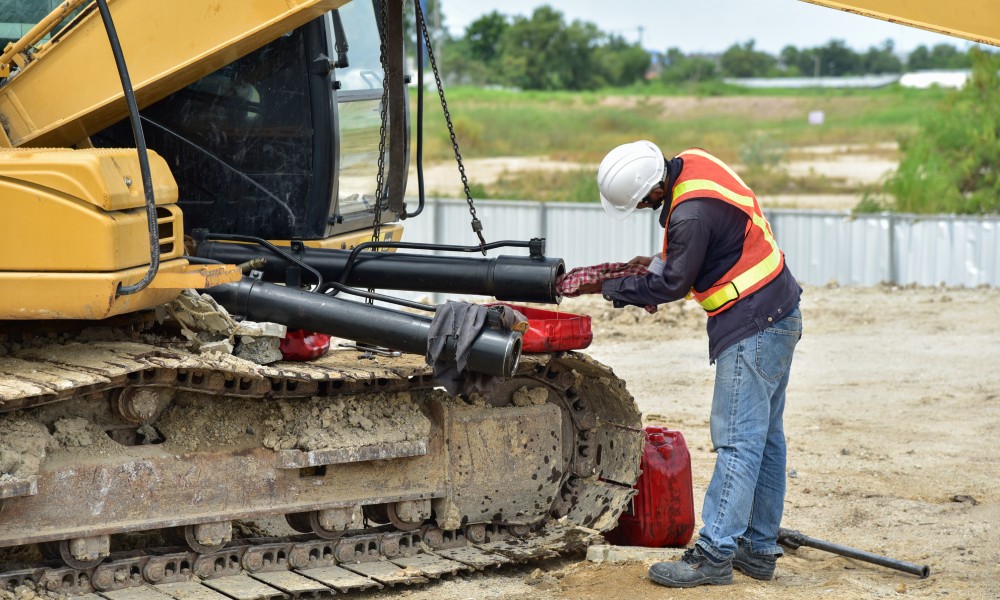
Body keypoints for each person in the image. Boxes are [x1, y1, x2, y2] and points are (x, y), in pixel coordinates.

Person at [579, 140, 803, 588]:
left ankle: (715, 553)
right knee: (765, 438)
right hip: (779, 313)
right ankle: (757, 548)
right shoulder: (695, 164)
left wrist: (612, 287)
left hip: (752, 324)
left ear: (650, 192)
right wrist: (659, 264)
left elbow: (672, 285)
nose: (643, 207)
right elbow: (710, 244)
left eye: (641, 203)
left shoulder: (688, 215)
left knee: (738, 441)